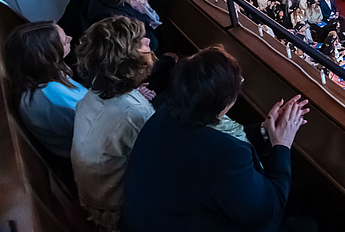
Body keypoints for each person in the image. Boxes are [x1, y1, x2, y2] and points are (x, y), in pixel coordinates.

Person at [121, 46, 310, 232]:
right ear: (227, 103)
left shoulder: (168, 108)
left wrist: (265, 131)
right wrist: (282, 144)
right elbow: (266, 210)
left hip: (146, 218)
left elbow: (220, 138)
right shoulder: (227, 156)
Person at [71, 16, 156, 230]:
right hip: (117, 210)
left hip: (97, 195)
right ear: (127, 61)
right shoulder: (133, 113)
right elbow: (161, 161)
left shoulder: (94, 93)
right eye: (141, 42)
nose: (148, 43)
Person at [2, 21, 87, 158]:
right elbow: (94, 123)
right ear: (47, 56)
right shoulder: (51, 95)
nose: (70, 38)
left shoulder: (46, 75)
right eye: (65, 41)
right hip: (86, 153)